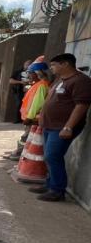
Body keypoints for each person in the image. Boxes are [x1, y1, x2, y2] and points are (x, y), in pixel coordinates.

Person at [29, 53, 91, 202]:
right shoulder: (60, 80)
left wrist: (69, 127)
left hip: (62, 127)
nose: (51, 68)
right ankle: (50, 183)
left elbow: (82, 105)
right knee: (49, 156)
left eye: (54, 65)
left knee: (53, 156)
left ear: (65, 64)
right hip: (49, 125)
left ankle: (57, 190)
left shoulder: (80, 81)